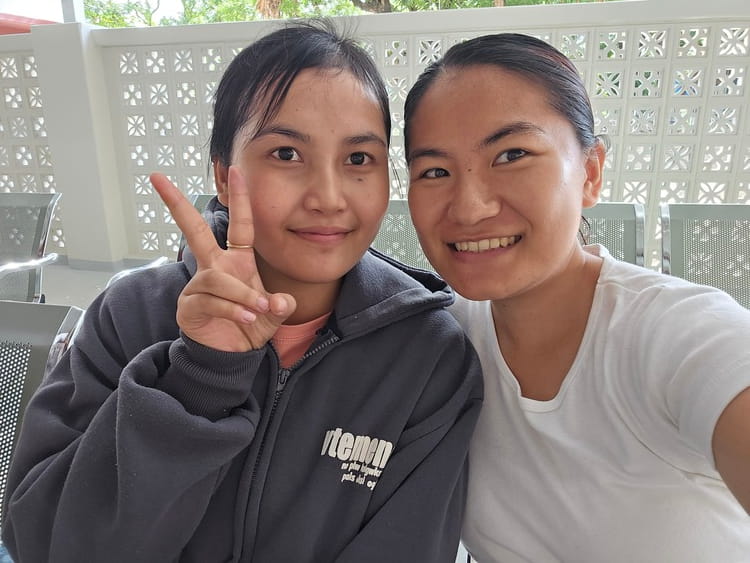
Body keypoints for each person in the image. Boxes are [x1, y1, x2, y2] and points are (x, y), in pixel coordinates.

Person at [2, 20, 482, 563]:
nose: (328, 197)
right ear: (223, 175)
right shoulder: (130, 316)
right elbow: (44, 543)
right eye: (286, 154)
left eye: (358, 159)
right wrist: (199, 379)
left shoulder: (428, 356)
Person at [404, 32, 750, 562]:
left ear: (590, 173)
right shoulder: (441, 339)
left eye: (512, 154)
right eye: (435, 171)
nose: (469, 208)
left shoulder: (678, 332)